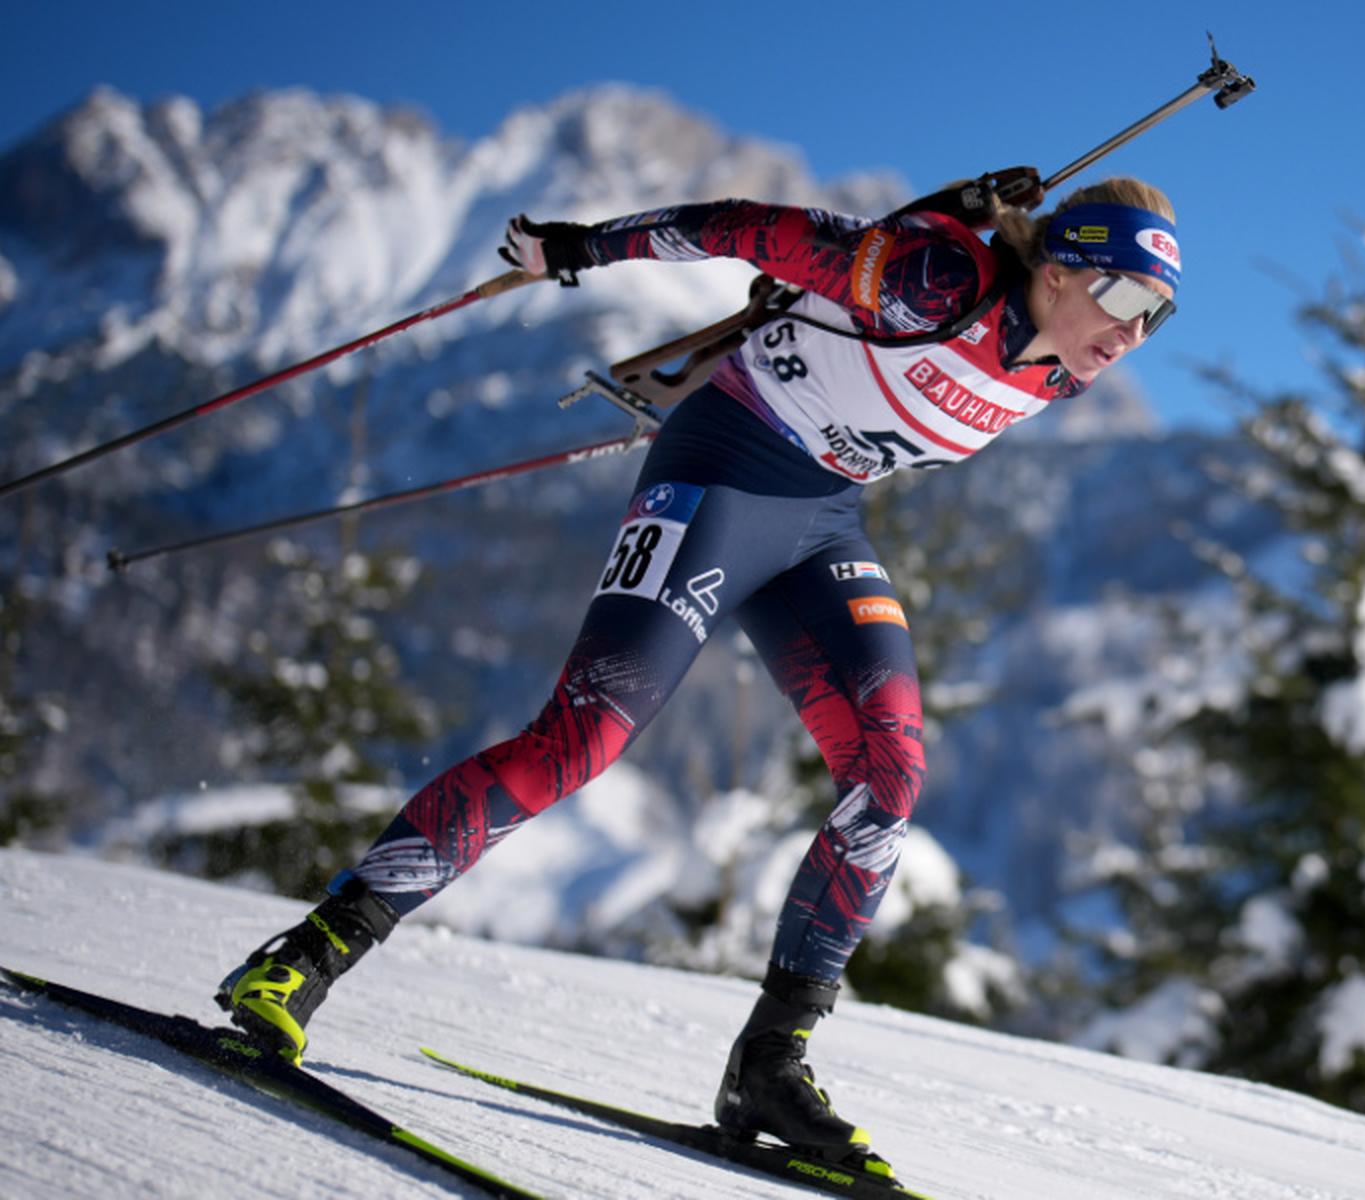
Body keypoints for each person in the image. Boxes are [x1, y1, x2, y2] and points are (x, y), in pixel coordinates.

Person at [215, 176, 1180, 1163]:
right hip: (720, 479)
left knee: (890, 778)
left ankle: (769, 1063)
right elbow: (744, 230)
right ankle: (305, 958)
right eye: (1121, 297)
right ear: (1055, 268)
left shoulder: (1059, 371)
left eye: (1157, 315)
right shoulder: (932, 280)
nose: (1132, 332)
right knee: (580, 742)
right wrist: (580, 248)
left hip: (822, 524)